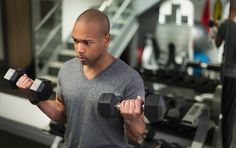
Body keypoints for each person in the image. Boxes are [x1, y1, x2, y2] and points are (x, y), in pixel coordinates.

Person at [16, 9, 146, 148]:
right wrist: (35, 98)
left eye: (87, 42)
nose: (79, 49)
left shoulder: (129, 77)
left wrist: (131, 119)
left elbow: (137, 136)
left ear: (106, 40)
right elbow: (62, 114)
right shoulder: (67, 69)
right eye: (76, 41)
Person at [215, 1, 236, 148]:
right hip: (234, 75)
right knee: (230, 113)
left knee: (223, 111)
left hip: (226, 75)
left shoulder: (224, 25)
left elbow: (217, 44)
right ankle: (226, 143)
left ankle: (224, 143)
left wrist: (217, 31)